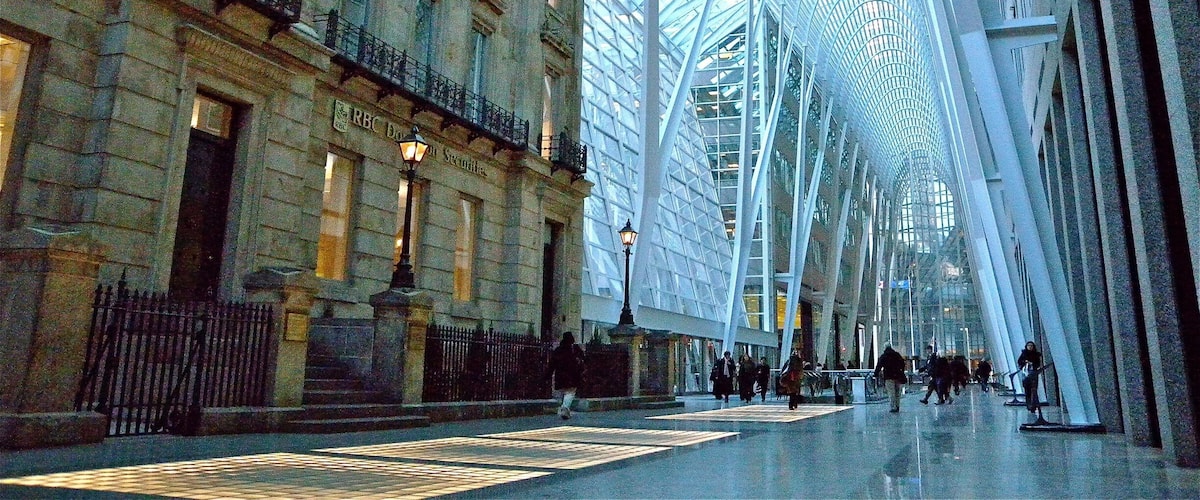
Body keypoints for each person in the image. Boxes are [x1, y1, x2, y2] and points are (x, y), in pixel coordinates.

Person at [546, 331, 586, 420]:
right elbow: (583, 359)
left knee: (563, 392)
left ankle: (564, 409)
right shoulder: (575, 349)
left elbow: (551, 364)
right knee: (570, 392)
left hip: (560, 376)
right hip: (572, 375)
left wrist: (547, 375)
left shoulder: (558, 350)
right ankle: (565, 408)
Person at [874, 345, 907, 413]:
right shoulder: (897, 355)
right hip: (898, 376)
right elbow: (903, 364)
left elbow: (879, 366)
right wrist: (901, 371)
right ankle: (897, 406)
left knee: (891, 392)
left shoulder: (883, 356)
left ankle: (893, 407)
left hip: (888, 377)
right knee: (897, 392)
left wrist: (876, 374)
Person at [1017, 341, 1043, 414]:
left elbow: (1038, 364)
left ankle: (1033, 405)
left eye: (1031, 346)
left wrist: (1032, 364)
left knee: (1034, 389)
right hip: (1026, 373)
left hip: (1033, 373)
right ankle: (1029, 404)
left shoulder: (1036, 355)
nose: (1030, 347)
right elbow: (1019, 362)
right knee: (1027, 389)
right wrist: (1025, 362)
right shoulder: (1024, 354)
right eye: (1028, 346)